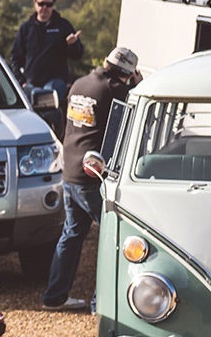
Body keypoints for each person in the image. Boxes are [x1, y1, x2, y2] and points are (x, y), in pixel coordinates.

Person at [42, 46, 140, 311]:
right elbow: (135, 111)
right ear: (126, 74)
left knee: (72, 235)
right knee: (113, 236)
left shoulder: (79, 84)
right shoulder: (115, 89)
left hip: (70, 170)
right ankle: (101, 303)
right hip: (91, 176)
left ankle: (55, 296)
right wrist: (136, 85)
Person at [11, 0, 84, 102]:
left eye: (48, 4)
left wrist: (72, 44)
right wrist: (21, 81)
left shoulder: (63, 26)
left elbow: (77, 55)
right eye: (41, 4)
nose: (44, 7)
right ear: (35, 4)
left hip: (55, 81)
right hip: (30, 82)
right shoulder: (26, 28)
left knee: (47, 102)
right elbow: (15, 57)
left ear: (53, 6)